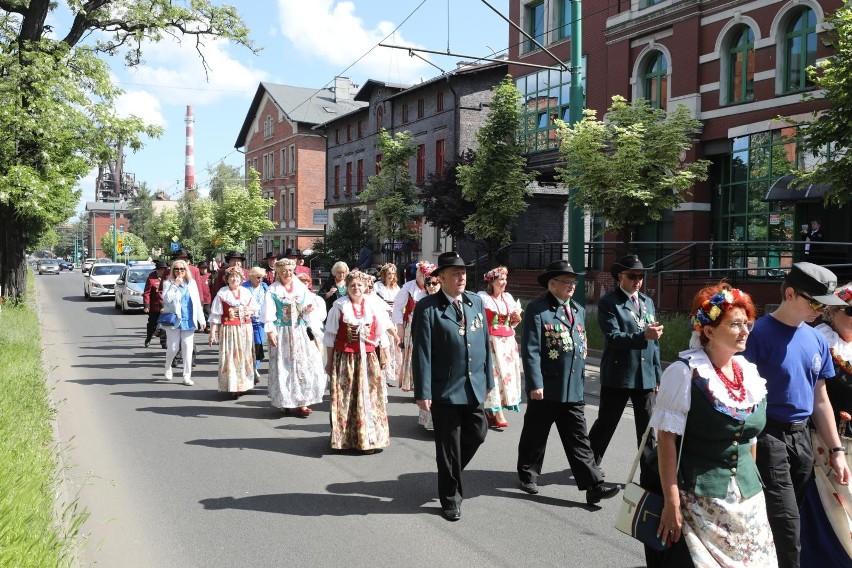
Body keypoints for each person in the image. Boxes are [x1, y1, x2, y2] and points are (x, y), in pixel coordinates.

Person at [650, 283, 775, 567]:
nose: (744, 331)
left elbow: (749, 440)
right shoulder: (684, 374)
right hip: (701, 501)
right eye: (735, 324)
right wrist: (672, 503)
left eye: (747, 323)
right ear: (708, 331)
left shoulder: (749, 373)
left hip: (749, 502)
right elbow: (666, 440)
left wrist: (749, 484)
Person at [742, 262, 850, 568]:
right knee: (787, 523)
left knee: (789, 518)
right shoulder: (756, 335)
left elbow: (821, 400)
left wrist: (836, 451)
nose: (820, 311)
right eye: (815, 302)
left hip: (802, 439)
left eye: (825, 305)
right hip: (766, 436)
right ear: (790, 293)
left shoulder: (816, 339)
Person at [517, 260, 619, 505]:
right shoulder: (538, 309)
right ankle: (528, 474)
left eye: (574, 282)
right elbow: (531, 349)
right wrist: (534, 383)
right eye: (566, 282)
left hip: (572, 386)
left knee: (579, 438)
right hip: (547, 385)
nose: (572, 286)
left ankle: (593, 485)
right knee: (536, 433)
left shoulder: (577, 309)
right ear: (552, 284)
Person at [411, 251, 493, 522]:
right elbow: (422, 352)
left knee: (478, 432)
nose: (461, 278)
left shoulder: (475, 303)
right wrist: (423, 392)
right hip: (443, 387)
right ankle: (450, 499)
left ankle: (451, 473)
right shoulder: (428, 308)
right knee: (448, 446)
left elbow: (484, 344)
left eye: (464, 273)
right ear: (441, 278)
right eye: (455, 273)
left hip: (472, 384)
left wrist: (488, 380)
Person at [589, 254, 663, 472]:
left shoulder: (647, 302)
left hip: (645, 375)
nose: (637, 281)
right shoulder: (609, 302)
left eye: (641, 276)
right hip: (619, 374)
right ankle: (589, 466)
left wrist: (657, 374)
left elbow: (654, 344)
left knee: (647, 429)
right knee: (606, 424)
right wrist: (643, 337)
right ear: (620, 276)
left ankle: (648, 475)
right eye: (632, 276)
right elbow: (613, 337)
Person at [801, 282, 852, 566]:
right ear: (831, 312)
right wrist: (835, 449)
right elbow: (816, 399)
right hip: (827, 443)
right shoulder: (820, 342)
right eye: (850, 310)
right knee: (832, 510)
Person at [323, 270, 390, 452]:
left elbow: (380, 333)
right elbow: (330, 337)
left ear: (366, 286)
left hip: (368, 358)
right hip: (346, 358)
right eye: (352, 285)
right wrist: (329, 362)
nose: (356, 288)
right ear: (347, 287)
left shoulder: (373, 306)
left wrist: (384, 353)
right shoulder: (339, 306)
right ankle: (347, 439)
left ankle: (370, 438)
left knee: (370, 397)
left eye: (359, 285)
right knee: (347, 398)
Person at [262, 258, 326, 416]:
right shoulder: (273, 290)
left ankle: (302, 402)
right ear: (278, 273)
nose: (287, 274)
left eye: (290, 271)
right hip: (282, 331)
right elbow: (268, 314)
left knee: (302, 365)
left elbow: (306, 310)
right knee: (284, 366)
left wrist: (308, 310)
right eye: (284, 271)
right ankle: (286, 401)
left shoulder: (300, 288)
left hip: (299, 331)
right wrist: (270, 331)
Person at [478, 266, 522, 429]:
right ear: (492, 282)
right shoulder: (483, 298)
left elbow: (512, 323)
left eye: (505, 279)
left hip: (508, 342)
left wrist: (516, 318)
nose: (504, 283)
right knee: (494, 374)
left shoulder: (508, 298)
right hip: (491, 341)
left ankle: (497, 408)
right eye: (500, 279)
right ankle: (496, 411)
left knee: (506, 375)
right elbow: (479, 320)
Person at [208, 266, 258, 399]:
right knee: (231, 357)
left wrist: (249, 311)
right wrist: (213, 332)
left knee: (244, 356)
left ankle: (244, 383)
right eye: (231, 277)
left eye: (237, 277)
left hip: (245, 329)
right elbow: (215, 315)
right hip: (229, 329)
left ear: (241, 279)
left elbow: (255, 309)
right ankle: (233, 385)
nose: (234, 279)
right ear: (227, 279)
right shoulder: (222, 293)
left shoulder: (246, 292)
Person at [160, 260, 206, 386]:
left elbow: (196, 302)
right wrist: (175, 284)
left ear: (186, 270)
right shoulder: (167, 283)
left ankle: (187, 376)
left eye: (182, 269)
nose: (179, 271)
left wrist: (201, 319)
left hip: (188, 319)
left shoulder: (192, 283)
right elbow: (166, 299)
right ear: (172, 271)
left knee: (187, 348)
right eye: (176, 269)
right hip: (175, 320)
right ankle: (168, 366)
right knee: (173, 348)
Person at [393, 260, 434, 392]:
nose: (423, 277)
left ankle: (428, 386)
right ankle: (415, 385)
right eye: (421, 273)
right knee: (413, 354)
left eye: (426, 275)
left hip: (431, 324)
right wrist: (400, 327)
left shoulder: (435, 287)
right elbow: (397, 308)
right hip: (412, 324)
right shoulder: (408, 288)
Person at [374, 263, 402, 388]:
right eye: (389, 273)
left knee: (392, 346)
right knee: (382, 345)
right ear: (384, 274)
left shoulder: (396, 288)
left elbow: (401, 302)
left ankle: (388, 375)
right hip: (382, 316)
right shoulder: (378, 286)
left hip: (393, 317)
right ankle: (380, 375)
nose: (391, 276)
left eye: (393, 274)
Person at [243, 267, 269, 384]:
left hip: (261, 321)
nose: (260, 280)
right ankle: (248, 369)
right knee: (247, 346)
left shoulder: (264, 287)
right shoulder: (244, 287)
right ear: (251, 276)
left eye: (262, 277)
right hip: (246, 321)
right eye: (258, 277)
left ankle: (255, 368)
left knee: (258, 345)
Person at [143, 260, 169, 348]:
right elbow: (147, 293)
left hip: (165, 307)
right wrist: (146, 305)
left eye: (165, 269)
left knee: (164, 325)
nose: (163, 271)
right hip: (155, 307)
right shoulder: (151, 278)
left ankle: (164, 342)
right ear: (157, 270)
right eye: (161, 269)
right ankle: (148, 338)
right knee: (152, 325)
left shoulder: (168, 277)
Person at [197, 261, 213, 329]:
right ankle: (197, 326)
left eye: (205, 268)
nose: (204, 270)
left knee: (207, 312)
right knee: (198, 311)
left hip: (207, 297)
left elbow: (212, 286)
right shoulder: (197, 275)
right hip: (199, 297)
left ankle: (208, 326)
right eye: (202, 268)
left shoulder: (209, 276)